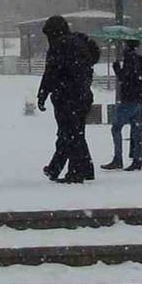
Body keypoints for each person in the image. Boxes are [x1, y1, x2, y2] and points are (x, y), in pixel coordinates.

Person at [37, 15, 100, 183]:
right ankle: (81, 168)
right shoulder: (79, 43)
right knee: (75, 133)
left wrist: (42, 94)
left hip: (67, 97)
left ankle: (76, 172)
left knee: (70, 135)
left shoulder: (59, 46)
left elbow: (51, 73)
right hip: (83, 96)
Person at [104, 39, 142, 171]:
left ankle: (118, 159)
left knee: (116, 128)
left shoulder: (130, 59)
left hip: (129, 99)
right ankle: (138, 159)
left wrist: (117, 68)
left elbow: (125, 78)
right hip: (139, 99)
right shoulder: (141, 60)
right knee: (136, 130)